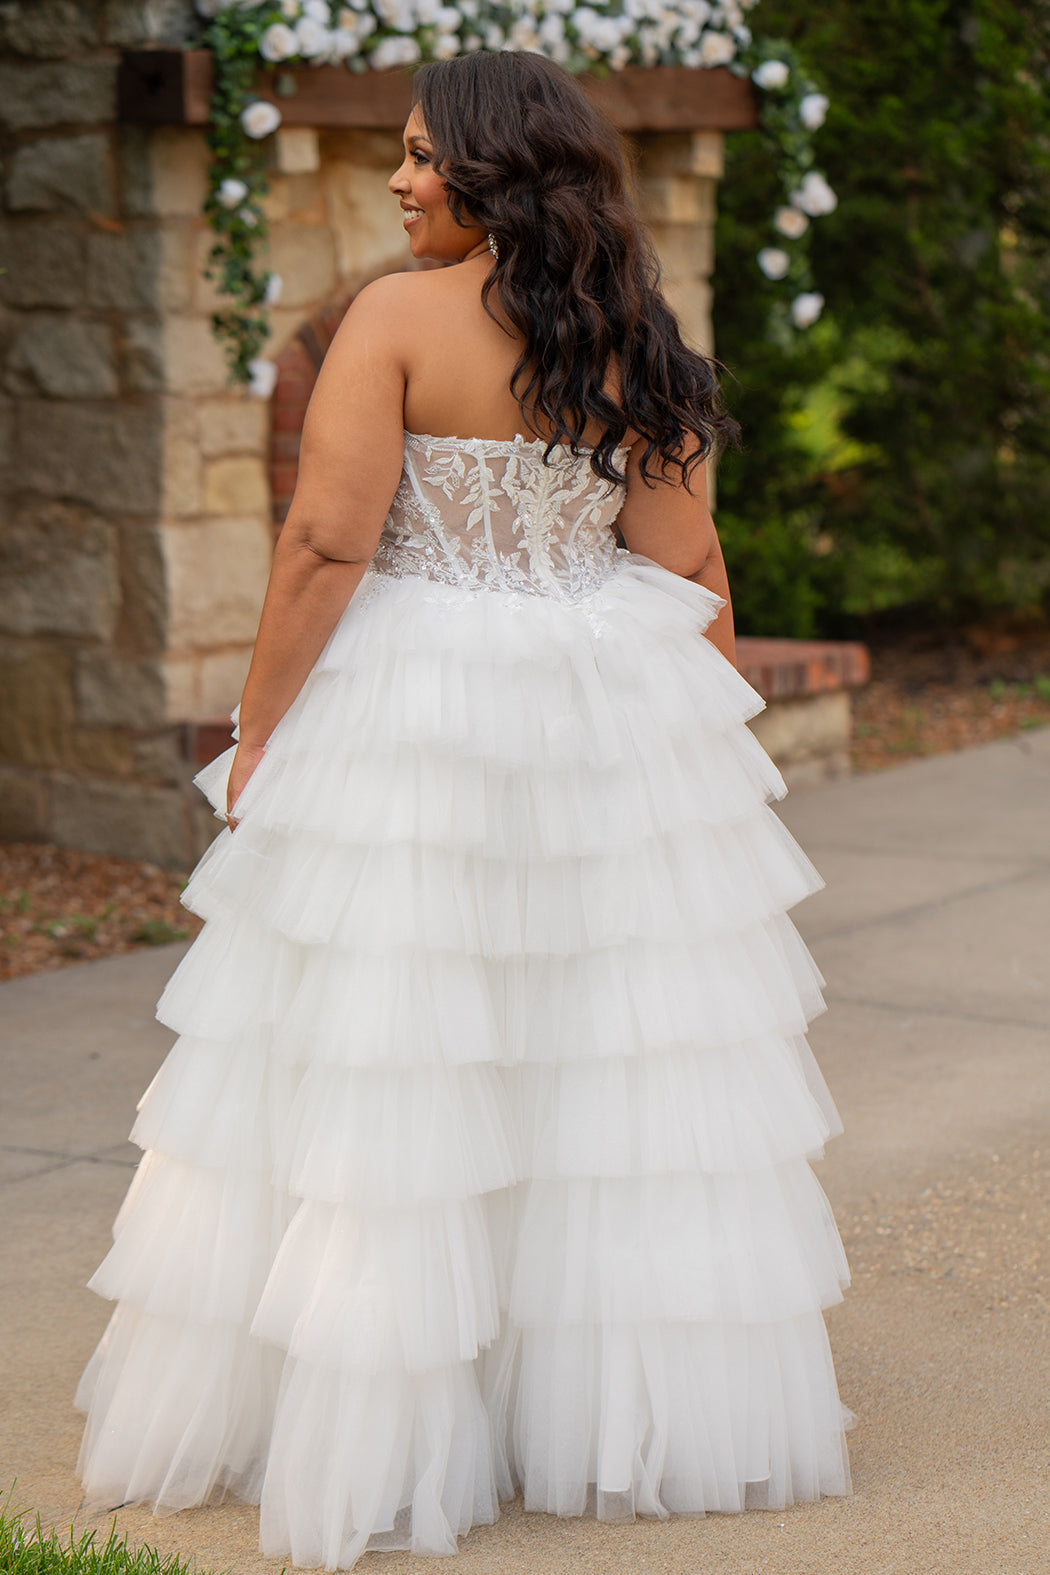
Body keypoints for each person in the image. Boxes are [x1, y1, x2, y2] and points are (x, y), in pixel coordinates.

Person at [75, 49, 852, 1571]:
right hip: (603, 711)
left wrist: (260, 736)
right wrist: (694, 759)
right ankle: (604, 1420)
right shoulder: (631, 332)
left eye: (424, 157)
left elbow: (321, 544)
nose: (400, 182)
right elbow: (687, 570)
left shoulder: (393, 320)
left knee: (397, 1062)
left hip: (414, 723)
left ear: (496, 166)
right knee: (601, 1072)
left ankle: (392, 1427)